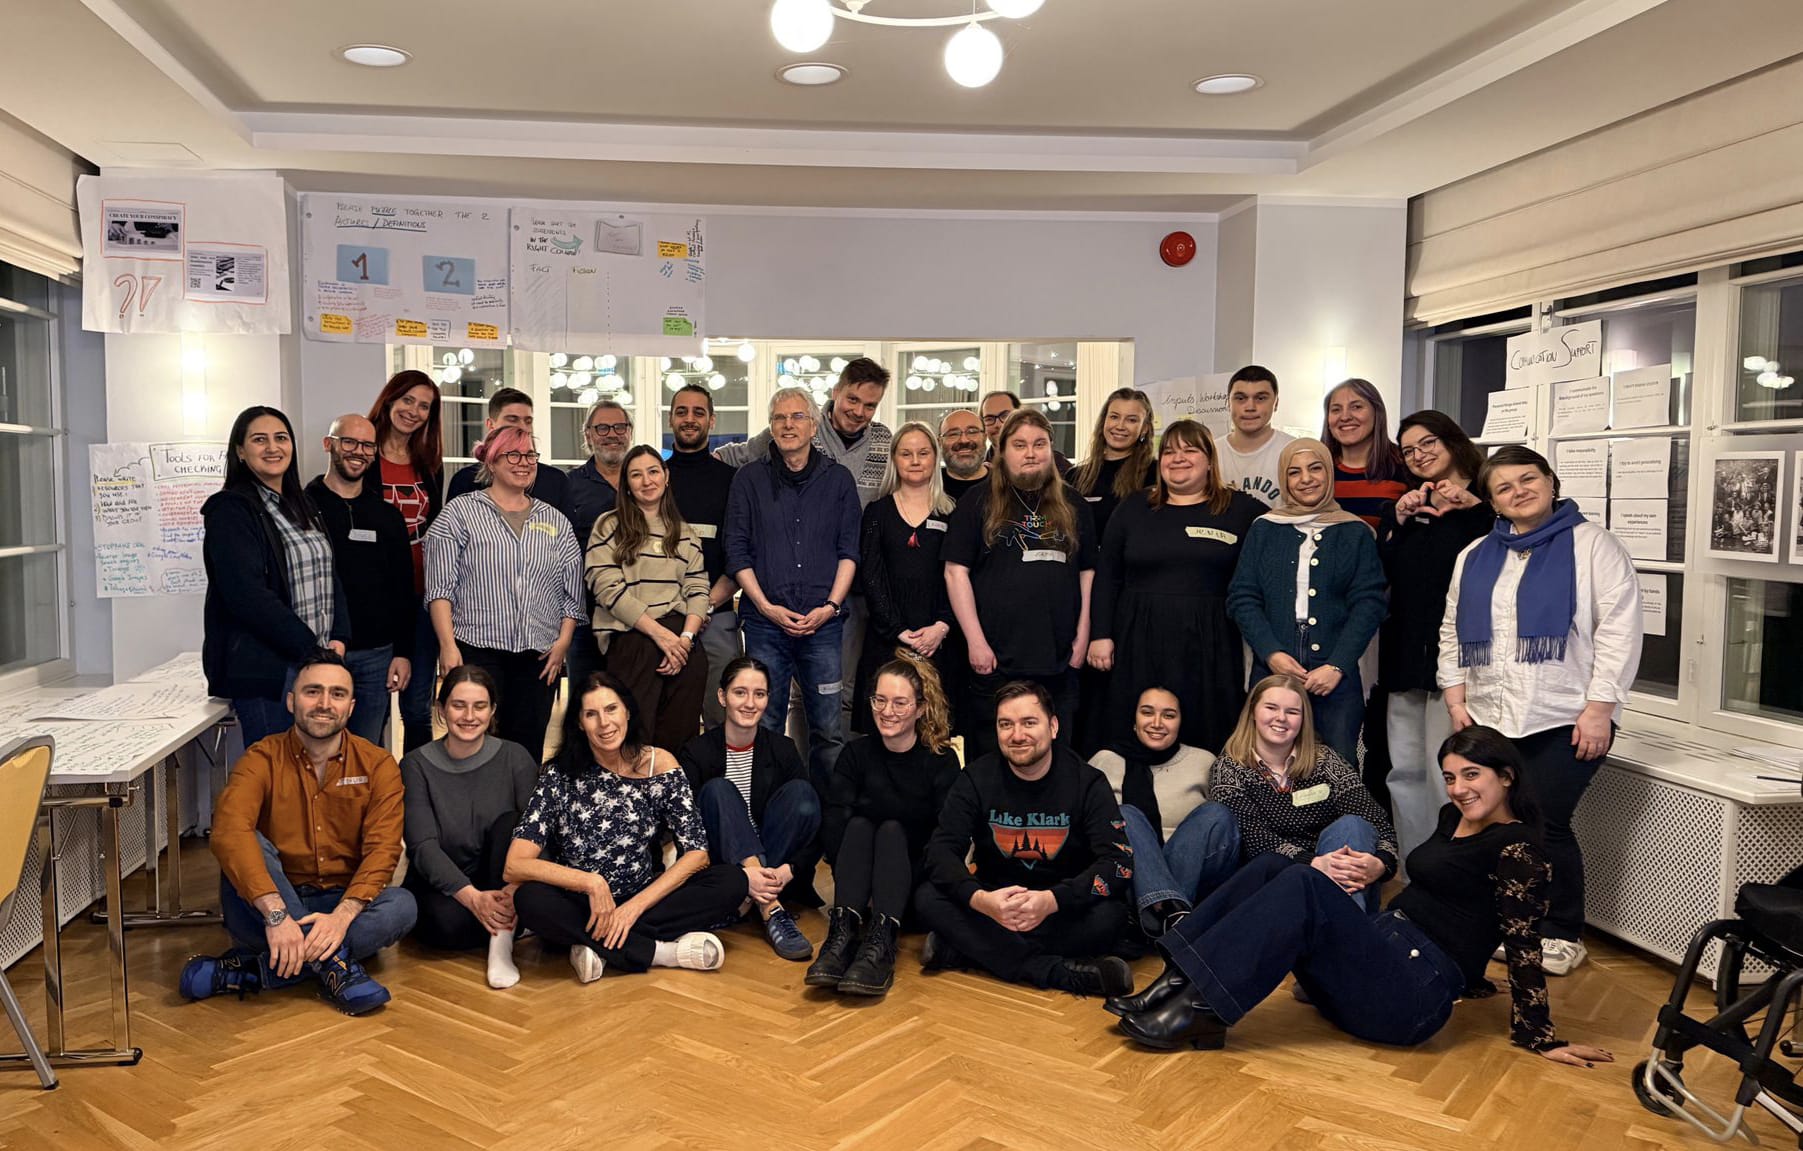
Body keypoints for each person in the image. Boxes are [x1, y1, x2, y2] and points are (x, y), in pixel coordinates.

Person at [1109, 726, 1616, 1078]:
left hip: (1408, 1000)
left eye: (1472, 775)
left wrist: (1539, 1033)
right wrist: (1475, 976)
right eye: (1450, 777)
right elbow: (1454, 900)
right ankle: (1176, 981)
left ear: (1506, 776)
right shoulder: (1453, 818)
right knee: (1272, 868)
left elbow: (1521, 939)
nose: (1459, 789)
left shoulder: (1520, 849)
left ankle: (1202, 1009)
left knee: (1303, 881)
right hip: (1375, 959)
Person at [1439, 445, 1642, 975]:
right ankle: (1505, 919)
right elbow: (1453, 627)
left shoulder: (1594, 547)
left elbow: (1619, 632)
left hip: (1566, 715)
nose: (1519, 492)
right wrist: (1456, 697)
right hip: (1489, 713)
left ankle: (1561, 931)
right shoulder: (1475, 554)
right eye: (1504, 487)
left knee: (1546, 821)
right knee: (1490, 820)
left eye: (1528, 479)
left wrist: (1600, 709)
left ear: (1551, 482)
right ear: (1492, 501)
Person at [180, 651, 417, 1015]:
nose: (324, 704)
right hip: (267, 906)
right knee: (248, 841)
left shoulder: (378, 764)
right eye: (313, 691)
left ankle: (254, 971)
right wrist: (278, 915)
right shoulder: (261, 758)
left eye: (337, 694)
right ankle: (334, 963)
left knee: (402, 906)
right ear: (291, 701)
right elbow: (228, 830)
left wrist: (341, 918)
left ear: (351, 707)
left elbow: (383, 848)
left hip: (340, 903)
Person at [507, 672, 748, 980]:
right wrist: (591, 883)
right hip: (581, 902)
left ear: (628, 712)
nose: (604, 723)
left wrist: (632, 908)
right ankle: (662, 953)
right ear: (579, 723)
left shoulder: (659, 764)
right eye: (591, 714)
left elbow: (697, 853)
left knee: (732, 881)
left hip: (645, 897)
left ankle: (595, 944)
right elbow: (515, 865)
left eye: (611, 709)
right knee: (529, 900)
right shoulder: (559, 774)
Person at [912, 680, 1133, 997]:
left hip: (1059, 907)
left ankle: (967, 949)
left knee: (1111, 916)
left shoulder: (1087, 782)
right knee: (927, 898)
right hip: (993, 904)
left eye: (1029, 723)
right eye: (1006, 725)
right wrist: (982, 901)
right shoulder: (975, 778)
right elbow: (940, 851)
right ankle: (1055, 972)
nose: (1017, 736)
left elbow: (1118, 863)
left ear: (1053, 727)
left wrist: (1051, 901)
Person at [719, 358, 894, 729]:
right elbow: (733, 457)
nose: (859, 411)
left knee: (837, 699)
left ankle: (825, 768)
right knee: (777, 708)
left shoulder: (883, 442)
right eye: (852, 400)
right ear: (835, 394)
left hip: (847, 591)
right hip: (774, 608)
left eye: (870, 405)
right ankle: (792, 765)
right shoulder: (781, 439)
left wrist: (831, 605)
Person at [1088, 419, 1265, 753]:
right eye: (1169, 451)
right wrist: (1100, 635)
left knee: (1205, 724)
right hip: (1136, 638)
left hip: (1210, 642)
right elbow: (1107, 575)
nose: (1178, 458)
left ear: (1210, 460)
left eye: (1189, 450)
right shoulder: (1133, 508)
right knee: (1136, 723)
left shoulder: (1242, 511)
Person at [723, 386, 861, 792]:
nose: (788, 425)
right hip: (765, 625)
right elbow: (737, 551)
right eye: (780, 418)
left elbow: (849, 551)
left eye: (797, 416)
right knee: (765, 723)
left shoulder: (838, 480)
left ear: (814, 426)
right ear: (771, 427)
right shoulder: (748, 480)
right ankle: (769, 809)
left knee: (828, 730)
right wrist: (765, 606)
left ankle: (827, 815)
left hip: (824, 625)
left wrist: (831, 606)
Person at [425, 424, 585, 764]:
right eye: (512, 455)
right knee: (476, 742)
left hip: (539, 656)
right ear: (492, 461)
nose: (523, 463)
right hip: (476, 649)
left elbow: (572, 593)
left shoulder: (555, 521)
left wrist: (562, 644)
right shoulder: (459, 514)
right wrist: (447, 647)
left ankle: (523, 800)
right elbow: (439, 589)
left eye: (529, 455)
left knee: (527, 749)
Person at [945, 407, 1096, 760]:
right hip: (995, 659)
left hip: (1059, 658)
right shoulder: (976, 501)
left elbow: (1088, 573)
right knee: (994, 758)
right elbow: (955, 572)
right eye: (1020, 445)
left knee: (1058, 757)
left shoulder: (1074, 503)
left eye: (1039, 444)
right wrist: (976, 642)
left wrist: (1083, 636)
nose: (1031, 453)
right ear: (1001, 450)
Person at [809, 652, 962, 998]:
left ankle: (882, 944)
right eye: (880, 700)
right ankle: (842, 934)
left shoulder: (940, 761)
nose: (887, 711)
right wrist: (858, 885)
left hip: (913, 887)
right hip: (858, 888)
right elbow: (835, 825)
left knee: (891, 830)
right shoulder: (856, 754)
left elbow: (948, 837)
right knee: (860, 825)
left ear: (921, 708)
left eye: (899, 703)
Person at [1226, 439, 1386, 764]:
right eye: (1294, 472)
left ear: (1329, 473)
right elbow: (1242, 597)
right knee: (1267, 762)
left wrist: (1337, 664)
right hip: (1273, 665)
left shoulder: (1354, 532)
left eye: (1315, 469)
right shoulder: (1264, 529)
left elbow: (1369, 603)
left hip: (1335, 670)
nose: (1306, 479)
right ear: (1284, 479)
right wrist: (1271, 654)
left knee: (1337, 764)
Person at [1377, 411, 1491, 865]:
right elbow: (1383, 573)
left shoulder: (1487, 505)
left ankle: (1453, 868)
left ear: (1451, 441)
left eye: (1427, 443)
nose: (1419, 455)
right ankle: (1414, 869)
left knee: (1451, 773)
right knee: (1404, 772)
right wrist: (1397, 520)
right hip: (1404, 655)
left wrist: (1475, 509)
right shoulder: (1407, 507)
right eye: (1408, 450)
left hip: (1459, 665)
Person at [202, 406, 351, 746]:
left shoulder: (302, 504)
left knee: (313, 768)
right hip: (271, 672)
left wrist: (340, 636)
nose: (273, 447)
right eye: (259, 440)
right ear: (240, 451)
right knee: (276, 772)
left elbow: (329, 575)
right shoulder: (230, 509)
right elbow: (246, 596)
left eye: (281, 438)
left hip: (318, 663)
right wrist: (310, 648)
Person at [1204, 674, 1398, 913]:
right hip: (1272, 877)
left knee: (1353, 826)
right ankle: (1346, 929)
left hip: (1334, 866)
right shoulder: (1229, 768)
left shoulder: (1326, 760)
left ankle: (1342, 924)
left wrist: (1382, 862)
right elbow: (1252, 836)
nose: (1281, 718)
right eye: (1271, 708)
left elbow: (1375, 819)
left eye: (1293, 712)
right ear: (1252, 712)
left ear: (1303, 719)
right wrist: (1313, 863)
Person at [398, 666, 538, 989]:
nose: (469, 716)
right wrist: (474, 899)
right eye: (459, 705)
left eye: (479, 706)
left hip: (502, 878)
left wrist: (510, 893)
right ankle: (511, 922)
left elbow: (536, 832)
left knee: (512, 824)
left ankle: (501, 937)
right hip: (446, 885)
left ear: (492, 711)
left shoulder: (515, 757)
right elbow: (422, 846)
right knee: (443, 925)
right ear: (441, 709)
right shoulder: (415, 765)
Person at [679, 657, 821, 962]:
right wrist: (746, 875)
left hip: (776, 860)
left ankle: (749, 898)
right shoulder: (696, 752)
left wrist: (790, 869)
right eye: (740, 692)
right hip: (724, 865)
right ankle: (770, 908)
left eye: (759, 694)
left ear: (768, 699)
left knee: (802, 793)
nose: (750, 703)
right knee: (718, 790)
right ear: (722, 696)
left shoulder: (782, 748)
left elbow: (813, 824)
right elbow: (687, 828)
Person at [587, 445, 711, 753]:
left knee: (680, 733)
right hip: (632, 637)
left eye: (653, 471)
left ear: (666, 477)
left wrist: (685, 640)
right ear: (626, 484)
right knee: (634, 734)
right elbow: (606, 587)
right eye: (636, 475)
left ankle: (670, 780)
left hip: (681, 640)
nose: (646, 481)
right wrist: (659, 635)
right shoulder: (608, 525)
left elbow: (698, 588)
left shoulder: (685, 533)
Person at [306, 413, 418, 746]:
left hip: (376, 655)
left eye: (368, 445)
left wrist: (403, 652)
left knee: (364, 751)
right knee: (314, 748)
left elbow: (403, 589)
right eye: (349, 442)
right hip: (318, 651)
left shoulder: (387, 516)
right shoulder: (301, 508)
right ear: (328, 444)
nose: (359, 451)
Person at [1089, 686, 1236, 938]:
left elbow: (1225, 830)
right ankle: (1173, 918)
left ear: (1181, 722)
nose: (1157, 723)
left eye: (1169, 715)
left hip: (1192, 874)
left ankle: (1162, 913)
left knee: (1216, 813)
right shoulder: (1104, 760)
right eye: (1147, 712)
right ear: (1134, 719)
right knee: (1125, 814)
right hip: (1128, 875)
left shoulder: (1203, 761)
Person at [854, 422, 957, 736]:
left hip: (939, 640)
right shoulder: (877, 512)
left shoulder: (952, 513)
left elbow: (958, 576)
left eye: (923, 453)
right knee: (885, 725)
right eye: (906, 453)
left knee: (935, 729)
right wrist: (898, 630)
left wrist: (941, 626)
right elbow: (871, 575)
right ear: (894, 459)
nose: (915, 461)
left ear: (935, 457)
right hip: (887, 637)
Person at [367, 370, 445, 752]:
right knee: (374, 706)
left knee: (416, 709)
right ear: (390, 400)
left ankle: (417, 782)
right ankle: (374, 782)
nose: (414, 411)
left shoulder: (428, 463)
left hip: (422, 596)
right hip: (377, 597)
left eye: (424, 406)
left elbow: (436, 527)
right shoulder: (364, 455)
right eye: (408, 400)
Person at [664, 384, 743, 728]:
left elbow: (740, 555)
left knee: (723, 719)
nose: (689, 419)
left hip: (717, 617)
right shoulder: (656, 479)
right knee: (668, 722)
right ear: (671, 419)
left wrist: (703, 607)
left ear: (712, 420)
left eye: (699, 412)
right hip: (662, 620)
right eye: (681, 411)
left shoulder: (734, 481)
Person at [564, 399, 627, 688]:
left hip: (638, 613)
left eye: (619, 427)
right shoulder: (569, 485)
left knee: (632, 698)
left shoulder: (645, 481)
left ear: (629, 431)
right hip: (584, 615)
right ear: (588, 434)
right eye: (602, 428)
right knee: (584, 695)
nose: (612, 434)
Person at [446, 387, 571, 515]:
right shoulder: (465, 480)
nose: (522, 427)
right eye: (512, 420)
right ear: (490, 424)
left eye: (528, 421)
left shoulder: (556, 480)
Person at [1064, 386, 1156, 543]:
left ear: (1144, 429)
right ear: (1103, 421)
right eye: (1114, 417)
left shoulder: (1156, 474)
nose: (1120, 426)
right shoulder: (1075, 476)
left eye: (1131, 420)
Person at [1320, 378, 1409, 528]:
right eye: (1336, 409)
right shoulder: (1316, 470)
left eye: (1356, 407)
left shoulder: (1404, 464)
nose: (1345, 417)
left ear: (1377, 413)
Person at [1216, 365, 1292, 507]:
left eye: (1260, 398)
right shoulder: (1210, 453)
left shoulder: (1294, 452)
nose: (1250, 407)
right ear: (1228, 403)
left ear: (1276, 403)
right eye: (1240, 398)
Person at [979, 391, 1072, 472]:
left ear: (1021, 416)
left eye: (1005, 416)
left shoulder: (1057, 464)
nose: (998, 424)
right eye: (989, 419)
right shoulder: (979, 470)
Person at [938, 408, 990, 502]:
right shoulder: (927, 486)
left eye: (972, 432)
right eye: (953, 434)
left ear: (985, 437)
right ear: (940, 442)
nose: (964, 440)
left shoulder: (1006, 485)